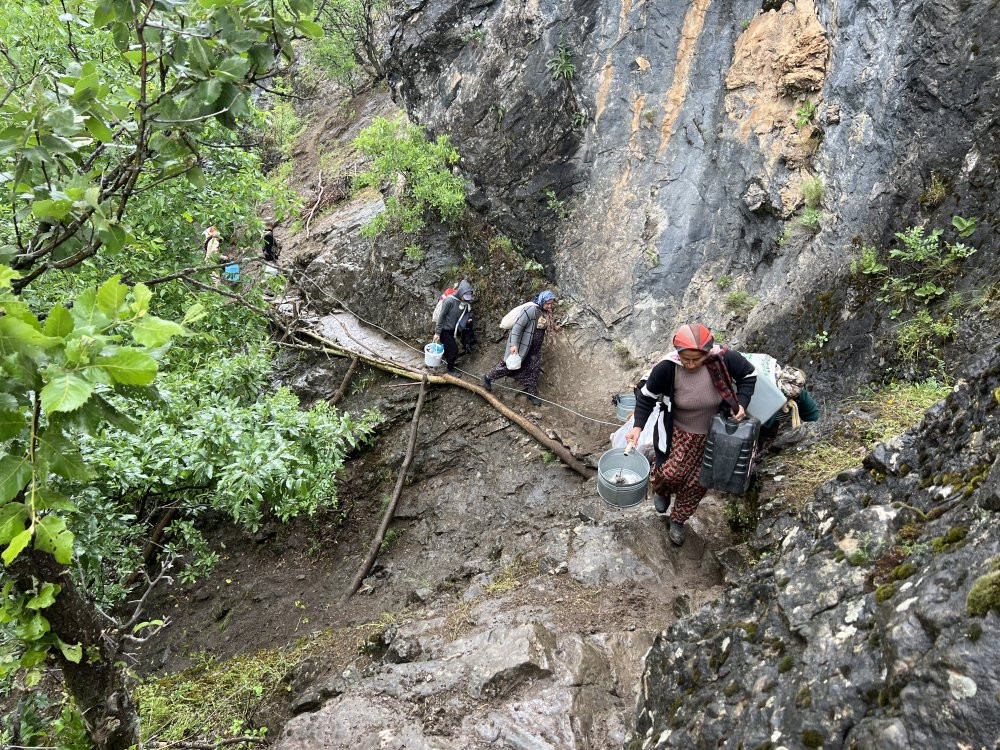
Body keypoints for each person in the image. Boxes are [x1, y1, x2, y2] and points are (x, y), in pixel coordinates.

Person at [626, 323, 757, 546]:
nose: (690, 363)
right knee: (670, 473)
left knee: (698, 483)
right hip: (677, 431)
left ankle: (678, 520)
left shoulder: (723, 359)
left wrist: (742, 403)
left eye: (696, 359)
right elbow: (647, 397)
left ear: (707, 352)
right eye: (686, 358)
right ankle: (662, 491)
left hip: (714, 435)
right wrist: (637, 427)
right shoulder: (667, 368)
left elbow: (749, 375)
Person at [482, 290, 558, 405]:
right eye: (547, 303)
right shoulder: (531, 310)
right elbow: (517, 328)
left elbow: (546, 326)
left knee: (534, 370)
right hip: (522, 347)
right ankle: (488, 377)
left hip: (534, 350)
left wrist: (556, 327)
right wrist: (514, 345)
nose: (549, 306)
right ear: (542, 300)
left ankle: (531, 394)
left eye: (551, 304)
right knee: (509, 366)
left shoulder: (545, 312)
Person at [433, 279, 474, 374]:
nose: (466, 299)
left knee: (449, 348)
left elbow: (465, 313)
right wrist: (437, 333)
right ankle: (450, 369)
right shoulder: (449, 301)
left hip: (453, 330)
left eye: (468, 297)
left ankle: (447, 360)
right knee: (454, 350)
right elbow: (441, 317)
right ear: (461, 292)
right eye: (465, 296)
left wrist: (468, 319)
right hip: (444, 330)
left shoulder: (464, 302)